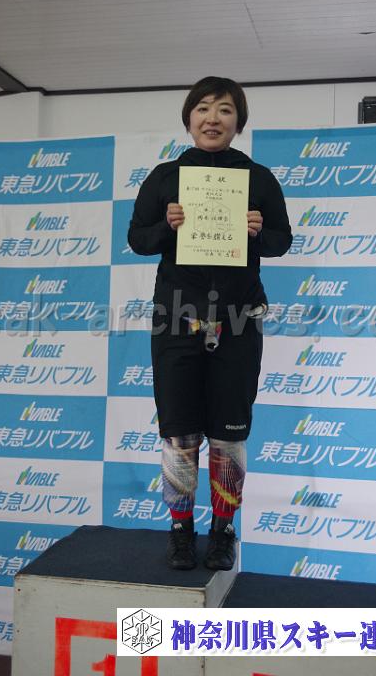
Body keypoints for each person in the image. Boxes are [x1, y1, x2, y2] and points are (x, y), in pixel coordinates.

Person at [128, 76, 292, 571]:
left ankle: (223, 532)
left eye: (224, 109)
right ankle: (181, 531)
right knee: (179, 435)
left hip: (239, 323)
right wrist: (167, 226)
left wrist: (258, 231)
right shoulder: (165, 177)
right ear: (189, 119)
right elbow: (138, 239)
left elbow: (282, 241)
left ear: (238, 122)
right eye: (202, 108)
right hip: (177, 322)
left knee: (228, 436)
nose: (212, 118)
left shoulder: (258, 178)